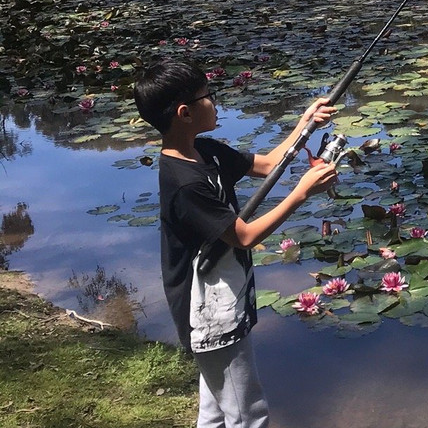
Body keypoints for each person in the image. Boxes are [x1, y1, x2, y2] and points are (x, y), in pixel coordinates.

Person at [134, 58, 338, 428]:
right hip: (208, 310)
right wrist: (300, 194)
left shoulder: (205, 151)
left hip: (225, 295)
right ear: (185, 113)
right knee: (248, 413)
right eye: (207, 96)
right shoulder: (185, 183)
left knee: (214, 411)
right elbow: (244, 237)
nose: (215, 102)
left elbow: (269, 164)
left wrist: (306, 123)